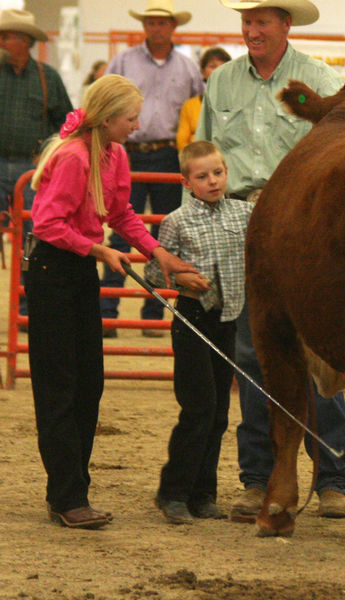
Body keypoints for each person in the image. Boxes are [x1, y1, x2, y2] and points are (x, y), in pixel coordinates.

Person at [195, 0, 345, 522]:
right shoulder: (220, 82)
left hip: (303, 222)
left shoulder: (319, 79)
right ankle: (257, 478)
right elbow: (207, 155)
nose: (251, 29)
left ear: (286, 25)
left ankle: (332, 477)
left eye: (262, 21)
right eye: (247, 21)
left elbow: (338, 155)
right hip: (240, 220)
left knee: (317, 350)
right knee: (251, 352)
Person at [25, 74, 197, 529]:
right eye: (130, 117)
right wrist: (99, 249)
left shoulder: (112, 154)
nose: (137, 125)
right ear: (106, 118)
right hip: (53, 271)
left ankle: (68, 490)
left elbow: (120, 213)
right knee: (60, 384)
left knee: (88, 383)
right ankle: (67, 495)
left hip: (76, 269)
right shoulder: (74, 158)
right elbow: (46, 224)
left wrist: (157, 252)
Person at [145, 141, 253, 524]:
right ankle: (172, 493)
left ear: (227, 172)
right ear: (186, 182)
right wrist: (181, 276)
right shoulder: (175, 221)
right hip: (192, 318)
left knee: (220, 412)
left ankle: (204, 493)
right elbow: (154, 273)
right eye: (203, 176)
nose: (212, 181)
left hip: (228, 320)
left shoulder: (244, 214)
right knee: (199, 407)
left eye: (218, 173)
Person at [100, 0, 203, 338]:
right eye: (151, 22)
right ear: (145, 26)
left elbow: (196, 108)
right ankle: (108, 310)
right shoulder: (123, 61)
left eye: (162, 22)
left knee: (165, 231)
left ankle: (154, 311)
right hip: (124, 151)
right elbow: (103, 98)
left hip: (169, 155)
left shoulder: (188, 67)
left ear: (173, 26)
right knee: (120, 228)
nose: (156, 28)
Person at [0, 9, 73, 326]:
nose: (1, 41)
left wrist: (48, 155)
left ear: (25, 40)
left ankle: (30, 306)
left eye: (7, 36)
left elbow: (66, 125)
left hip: (32, 171)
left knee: (35, 239)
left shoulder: (48, 77)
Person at [176, 47, 232, 151]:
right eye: (212, 66)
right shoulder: (190, 105)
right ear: (202, 72)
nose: (218, 70)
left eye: (223, 66)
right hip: (196, 160)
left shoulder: (238, 103)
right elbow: (182, 142)